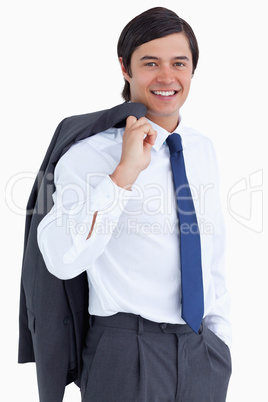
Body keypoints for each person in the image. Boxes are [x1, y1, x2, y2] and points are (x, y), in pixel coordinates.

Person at [21, 6, 232, 402]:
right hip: (126, 353)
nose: (167, 77)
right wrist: (123, 175)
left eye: (179, 63)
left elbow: (212, 253)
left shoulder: (202, 149)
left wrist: (220, 341)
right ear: (125, 68)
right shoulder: (88, 154)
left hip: (201, 354)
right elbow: (62, 259)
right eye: (150, 62)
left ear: (192, 70)